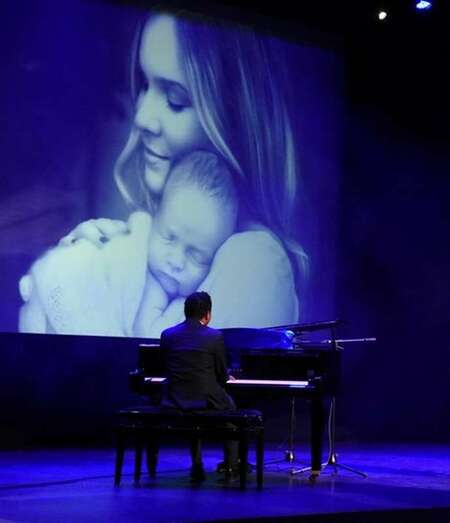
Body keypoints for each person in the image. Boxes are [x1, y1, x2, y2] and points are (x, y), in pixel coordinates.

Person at [24, 9, 303, 330]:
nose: (141, 117)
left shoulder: (255, 262)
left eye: (174, 99)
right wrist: (88, 269)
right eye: (144, 85)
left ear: (236, 123)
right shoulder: (142, 239)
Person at [18, 150, 238, 337]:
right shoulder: (153, 283)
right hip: (57, 297)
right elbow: (149, 335)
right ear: (155, 217)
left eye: (197, 256)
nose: (176, 261)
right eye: (168, 238)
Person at [160, 291, 237, 482]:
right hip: (206, 400)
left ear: (185, 311)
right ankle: (231, 466)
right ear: (207, 314)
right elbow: (222, 376)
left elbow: (164, 368)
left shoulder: (167, 335)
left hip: (175, 400)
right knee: (231, 410)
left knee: (195, 411)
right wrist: (227, 376)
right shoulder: (214, 337)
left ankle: (197, 464)